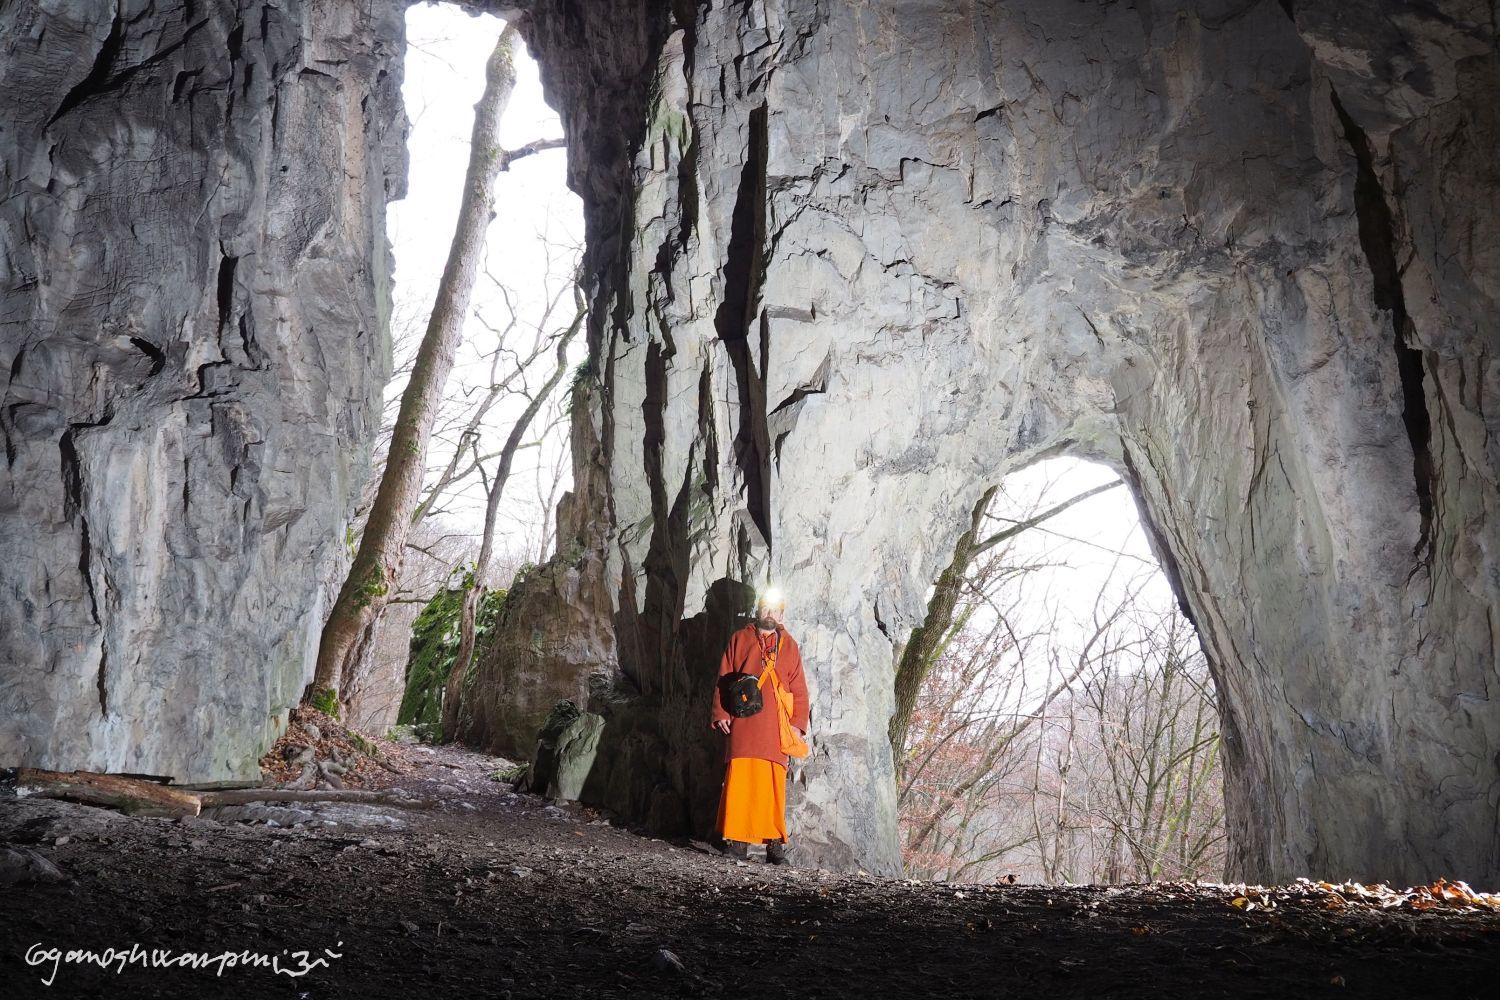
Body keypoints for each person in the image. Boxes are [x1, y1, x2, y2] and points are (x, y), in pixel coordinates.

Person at [709, 588, 809, 865]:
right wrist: (720, 713)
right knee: (741, 780)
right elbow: (723, 678)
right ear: (759, 609)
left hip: (776, 725)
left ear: (782, 614)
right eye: (766, 608)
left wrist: (798, 724)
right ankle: (737, 841)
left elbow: (799, 688)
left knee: (773, 785)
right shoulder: (739, 639)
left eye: (775, 610)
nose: (770, 614)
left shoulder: (789, 645)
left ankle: (774, 845)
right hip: (744, 721)